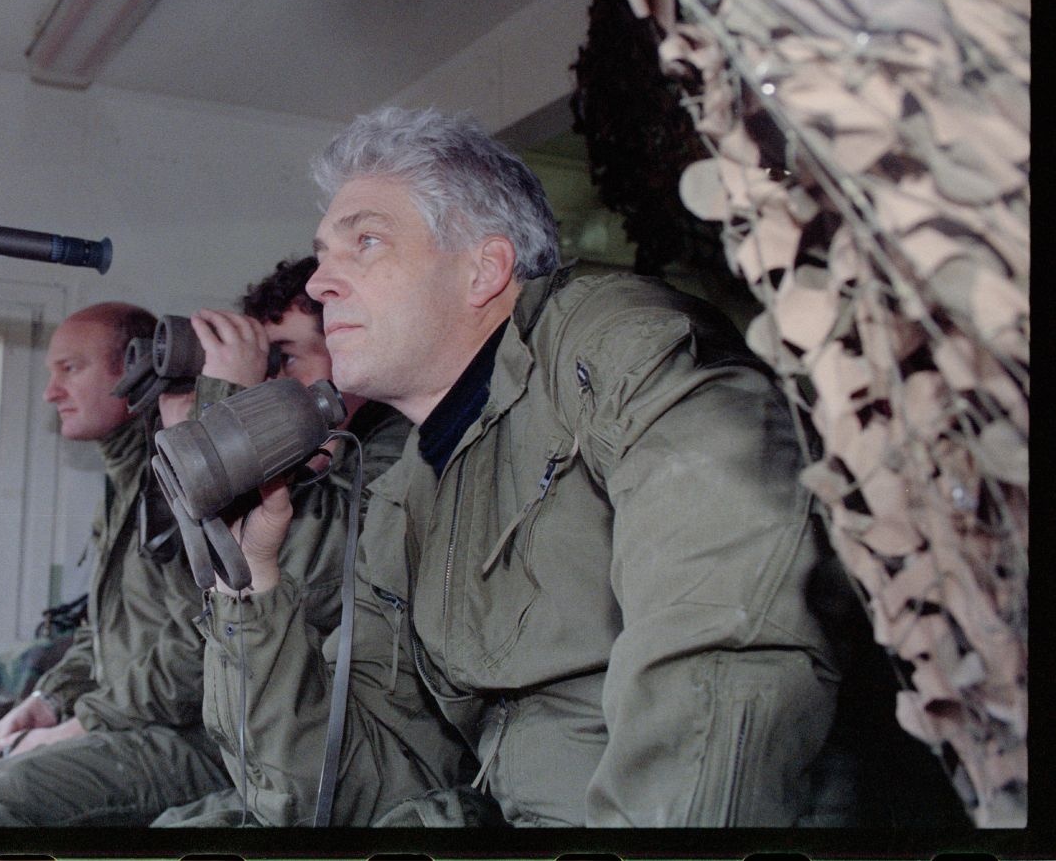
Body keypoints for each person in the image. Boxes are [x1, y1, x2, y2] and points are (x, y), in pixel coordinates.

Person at [195, 107, 850, 826]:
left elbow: (727, 649)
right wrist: (251, 577)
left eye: (366, 243)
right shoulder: (404, 494)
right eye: (324, 254)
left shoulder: (614, 344)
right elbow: (348, 789)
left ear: (485, 269)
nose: (320, 284)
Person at [0, 302, 228, 826]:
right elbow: (99, 630)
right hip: (122, 718)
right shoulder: (126, 481)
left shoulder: (184, 479)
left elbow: (200, 649)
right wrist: (50, 700)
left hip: (195, 737)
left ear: (137, 369)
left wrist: (79, 725)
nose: (51, 392)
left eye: (70, 369)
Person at [151, 257, 420, 826]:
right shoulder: (320, 460)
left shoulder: (400, 449)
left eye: (286, 358)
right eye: (265, 361)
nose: (271, 380)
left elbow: (311, 584)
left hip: (341, 756)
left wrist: (230, 407)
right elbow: (199, 599)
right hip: (261, 730)